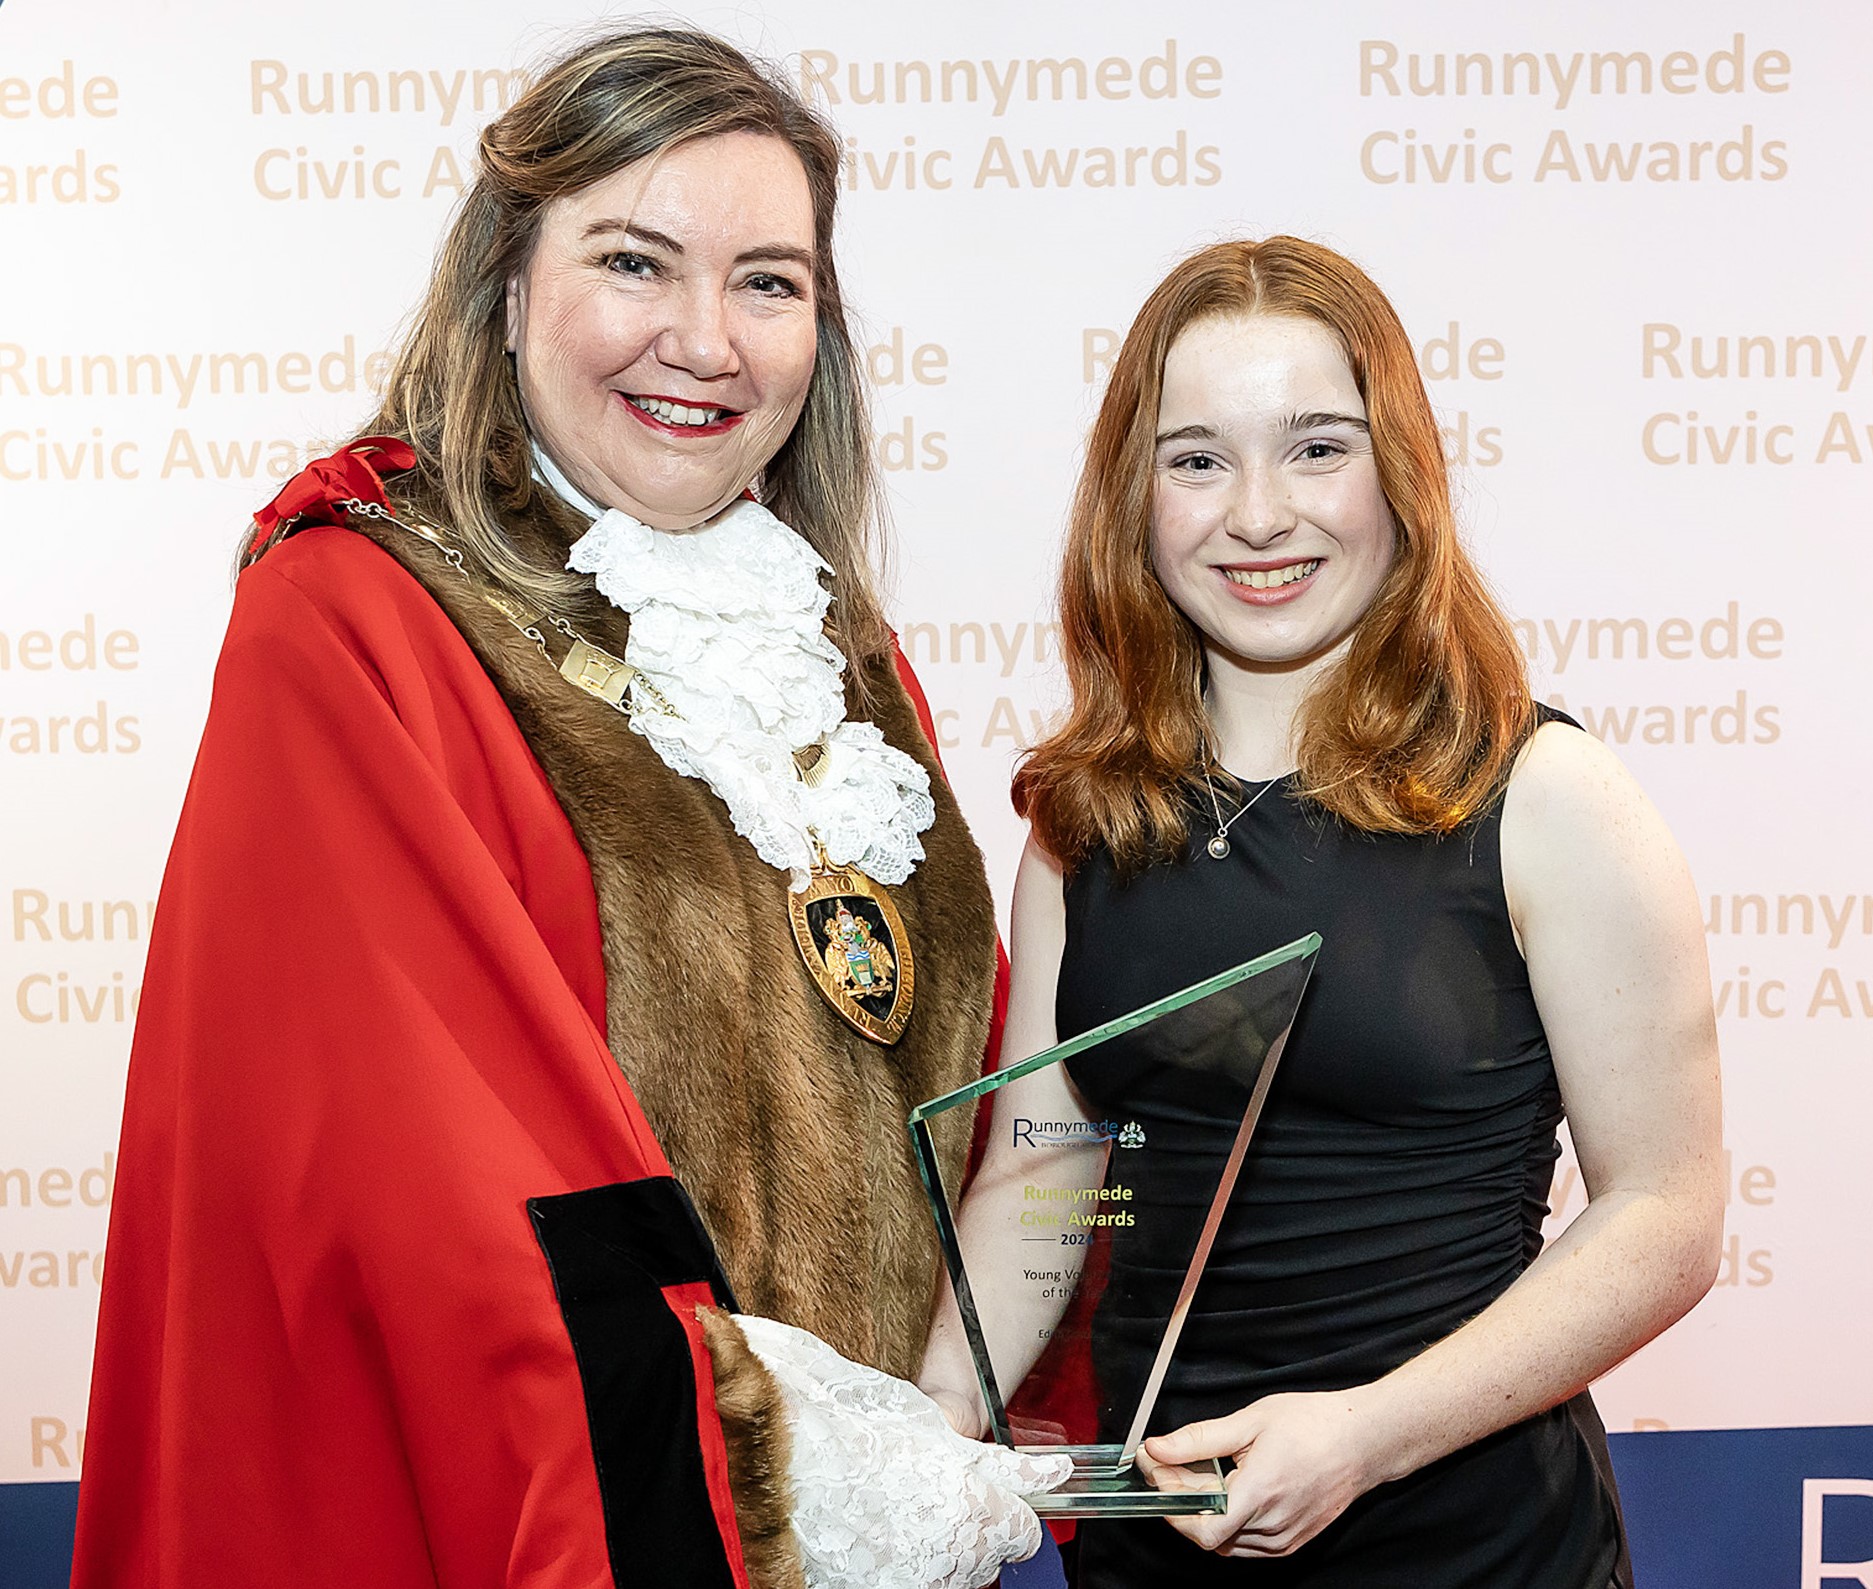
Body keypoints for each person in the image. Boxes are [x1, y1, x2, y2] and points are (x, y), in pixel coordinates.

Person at [71, 28, 1060, 1589]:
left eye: (768, 281)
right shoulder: (354, 613)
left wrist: (959, 1414)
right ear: (509, 284)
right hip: (568, 1532)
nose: (706, 340)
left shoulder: (832, 652)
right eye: (635, 261)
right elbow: (419, 1183)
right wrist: (769, 1461)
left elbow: (971, 1094)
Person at [918, 237, 1723, 1587]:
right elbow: (1043, 1180)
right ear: (1133, 497)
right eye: (1195, 459)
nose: (1255, 513)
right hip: (1153, 1552)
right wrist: (936, 1414)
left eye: (1314, 448)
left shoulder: (1543, 795)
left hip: (1471, 1549)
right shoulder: (1079, 822)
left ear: (1397, 473)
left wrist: (1366, 1436)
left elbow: (1664, 1214)